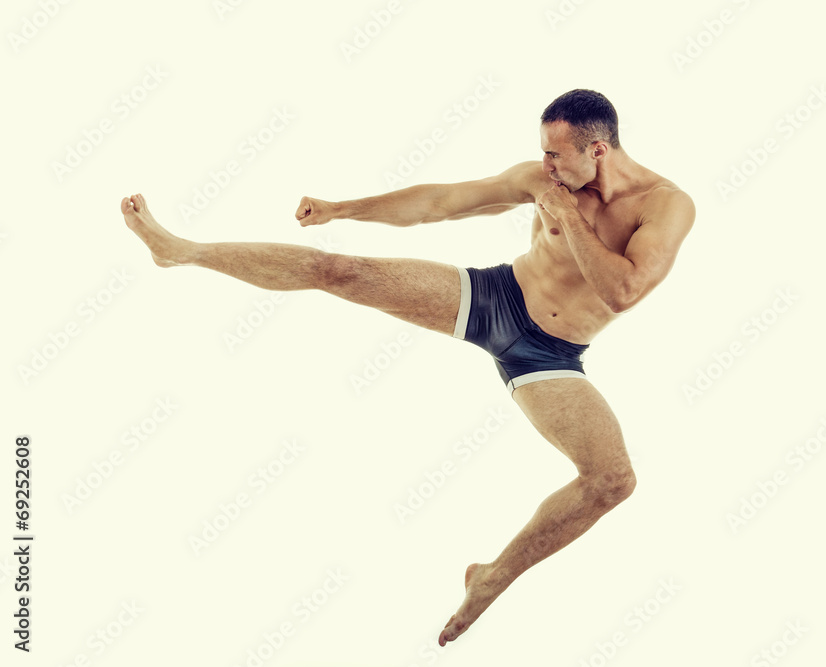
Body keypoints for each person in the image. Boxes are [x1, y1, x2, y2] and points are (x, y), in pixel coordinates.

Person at [121, 89, 695, 646]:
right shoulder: (542, 180)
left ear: (598, 150)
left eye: (555, 155)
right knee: (338, 270)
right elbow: (440, 203)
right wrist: (343, 209)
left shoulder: (665, 205)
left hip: (549, 356)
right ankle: (180, 250)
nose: (545, 166)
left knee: (613, 481)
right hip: (494, 298)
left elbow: (622, 291)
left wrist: (567, 215)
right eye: (542, 153)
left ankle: (491, 578)